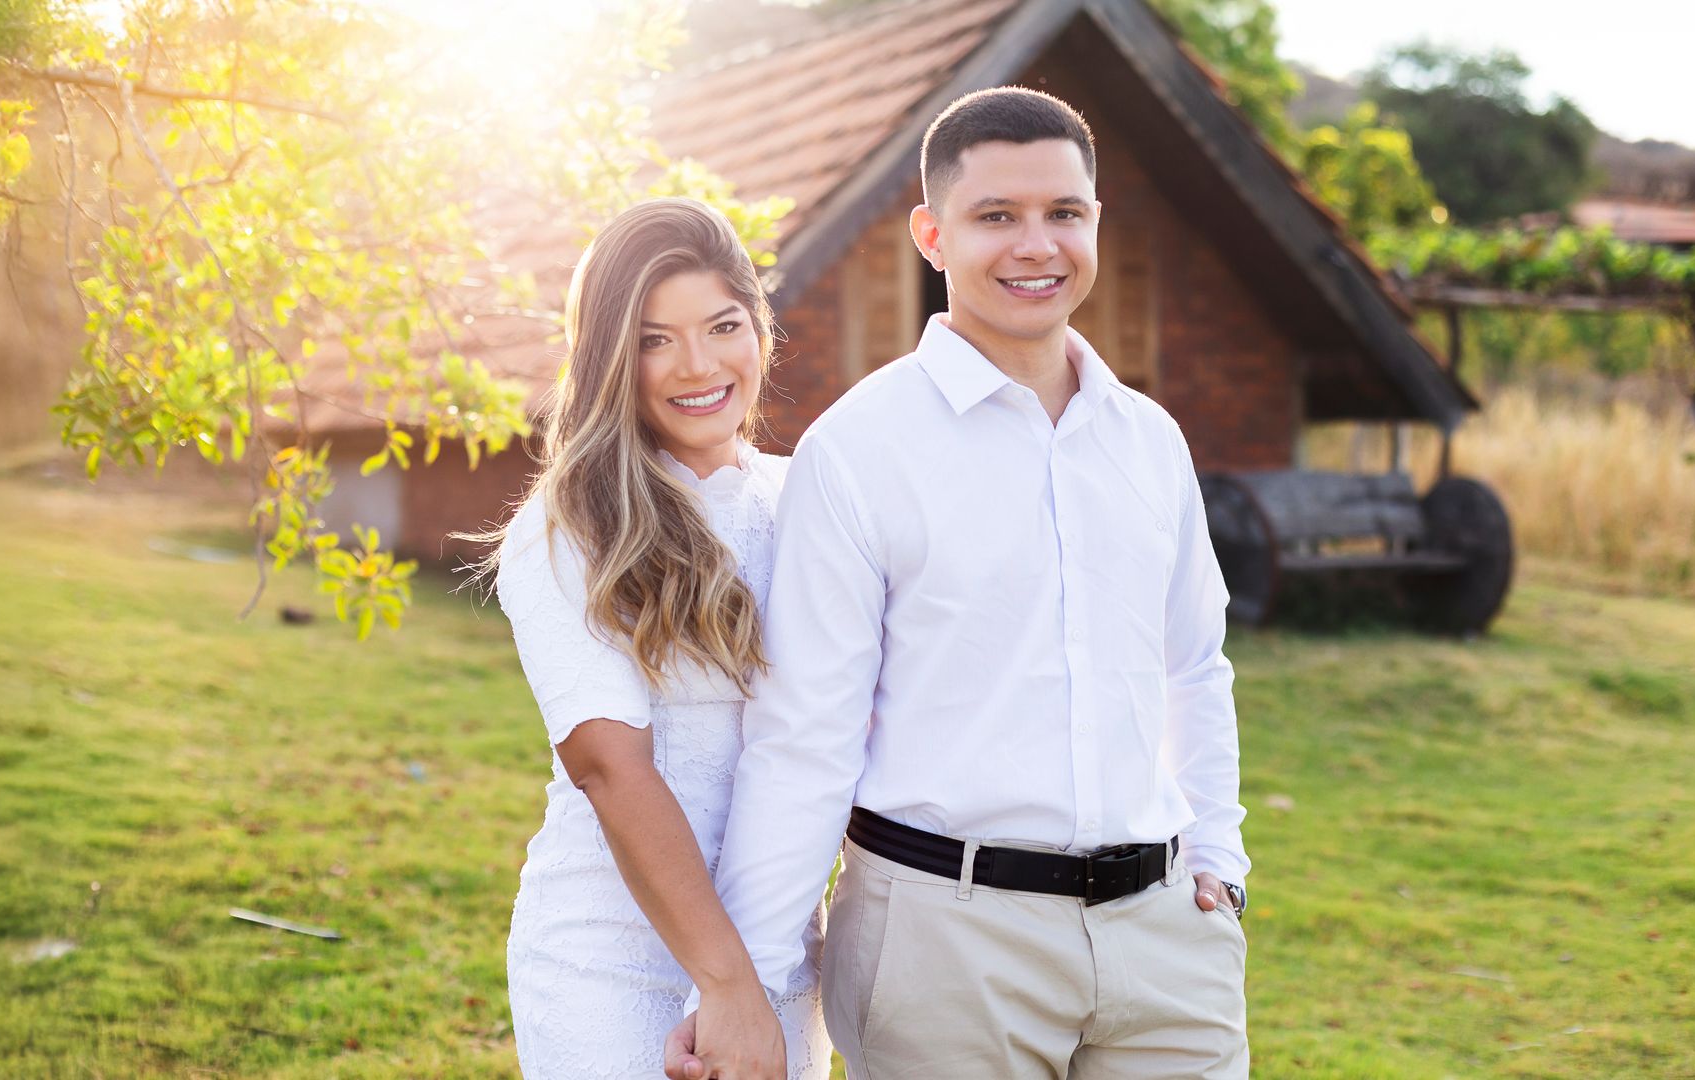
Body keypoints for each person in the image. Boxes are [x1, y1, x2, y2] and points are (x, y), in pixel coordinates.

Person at [668, 87, 1251, 1079]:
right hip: (944, 947)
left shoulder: (1149, 441)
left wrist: (1219, 863)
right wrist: (744, 987)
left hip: (1164, 949)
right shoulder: (860, 449)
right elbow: (804, 738)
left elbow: (1194, 665)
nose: (1037, 245)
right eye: (996, 216)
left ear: (1096, 222)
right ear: (932, 235)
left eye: (1063, 212)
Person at [484, 197, 829, 1080]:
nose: (698, 365)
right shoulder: (568, 527)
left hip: (780, 947)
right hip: (611, 956)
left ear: (761, 330)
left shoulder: (811, 499)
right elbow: (610, 768)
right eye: (654, 340)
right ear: (609, 359)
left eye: (723, 326)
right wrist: (726, 983)